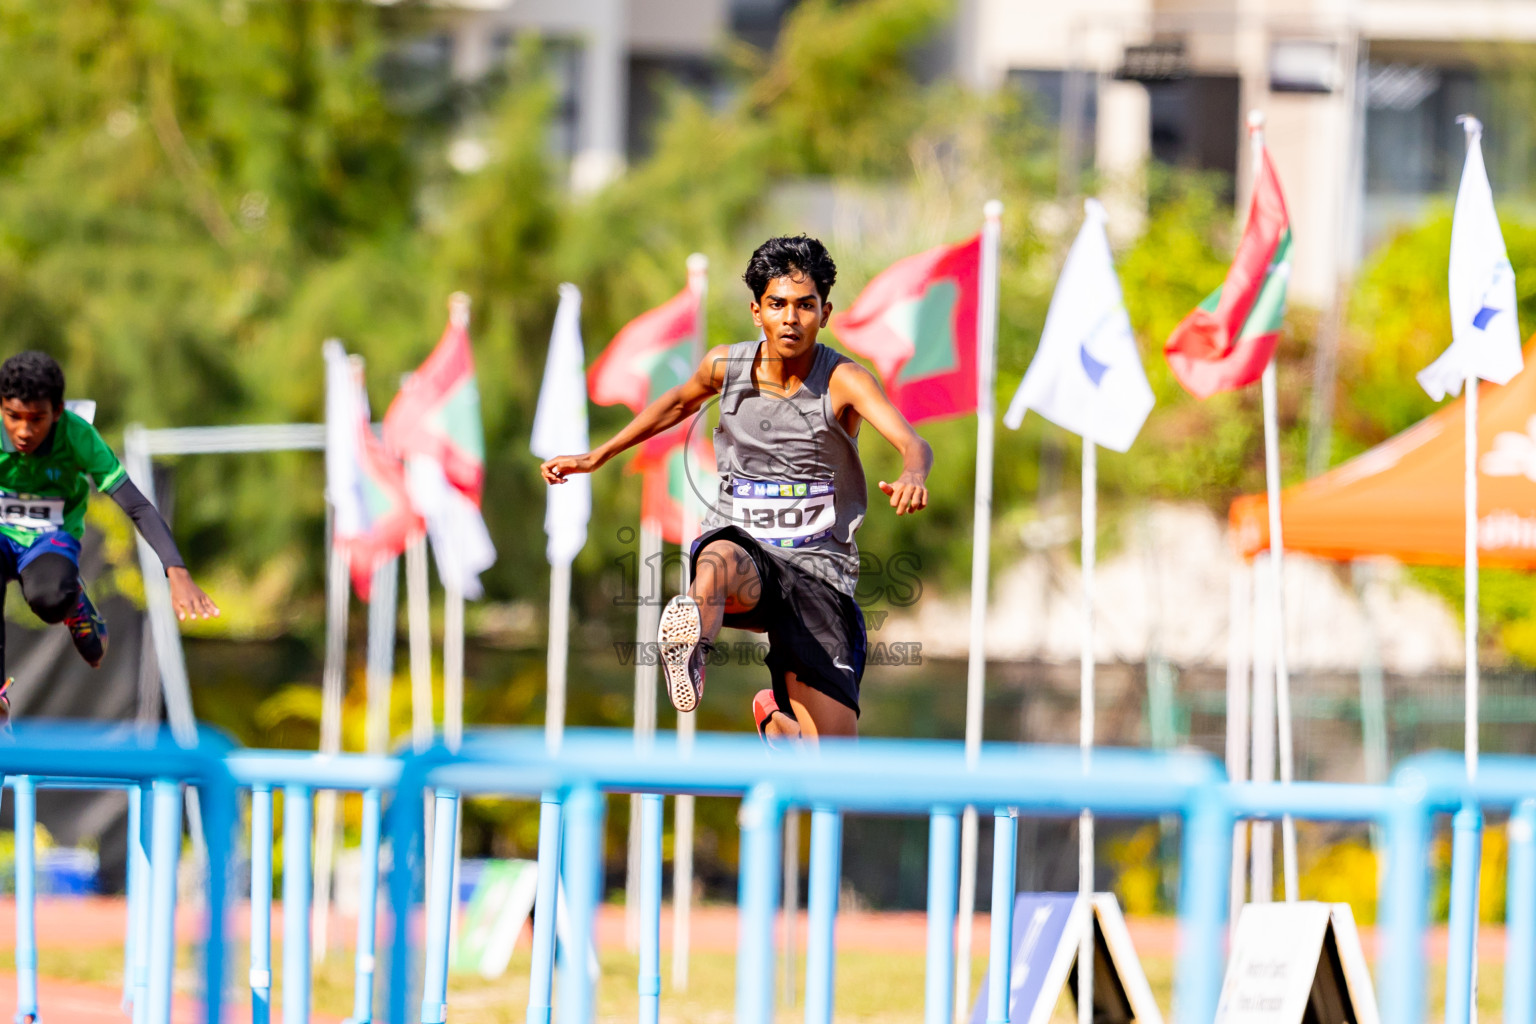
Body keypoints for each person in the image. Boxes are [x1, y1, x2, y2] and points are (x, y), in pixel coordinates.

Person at [541, 235, 932, 745]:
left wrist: (913, 474)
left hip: (818, 574)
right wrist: (598, 455)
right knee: (719, 557)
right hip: (747, 556)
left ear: (825, 311)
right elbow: (677, 404)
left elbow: (912, 441)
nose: (791, 319)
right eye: (777, 305)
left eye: (805, 306)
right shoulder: (726, 367)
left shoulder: (844, 380)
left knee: (834, 768)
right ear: (757, 311)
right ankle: (691, 644)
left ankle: (777, 716)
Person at [0, 351, 219, 723]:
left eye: (36, 420)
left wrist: (176, 570)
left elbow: (137, 507)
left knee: (48, 597)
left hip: (48, 540)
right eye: (13, 417)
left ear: (57, 412)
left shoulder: (78, 437)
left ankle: (75, 604)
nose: (23, 432)